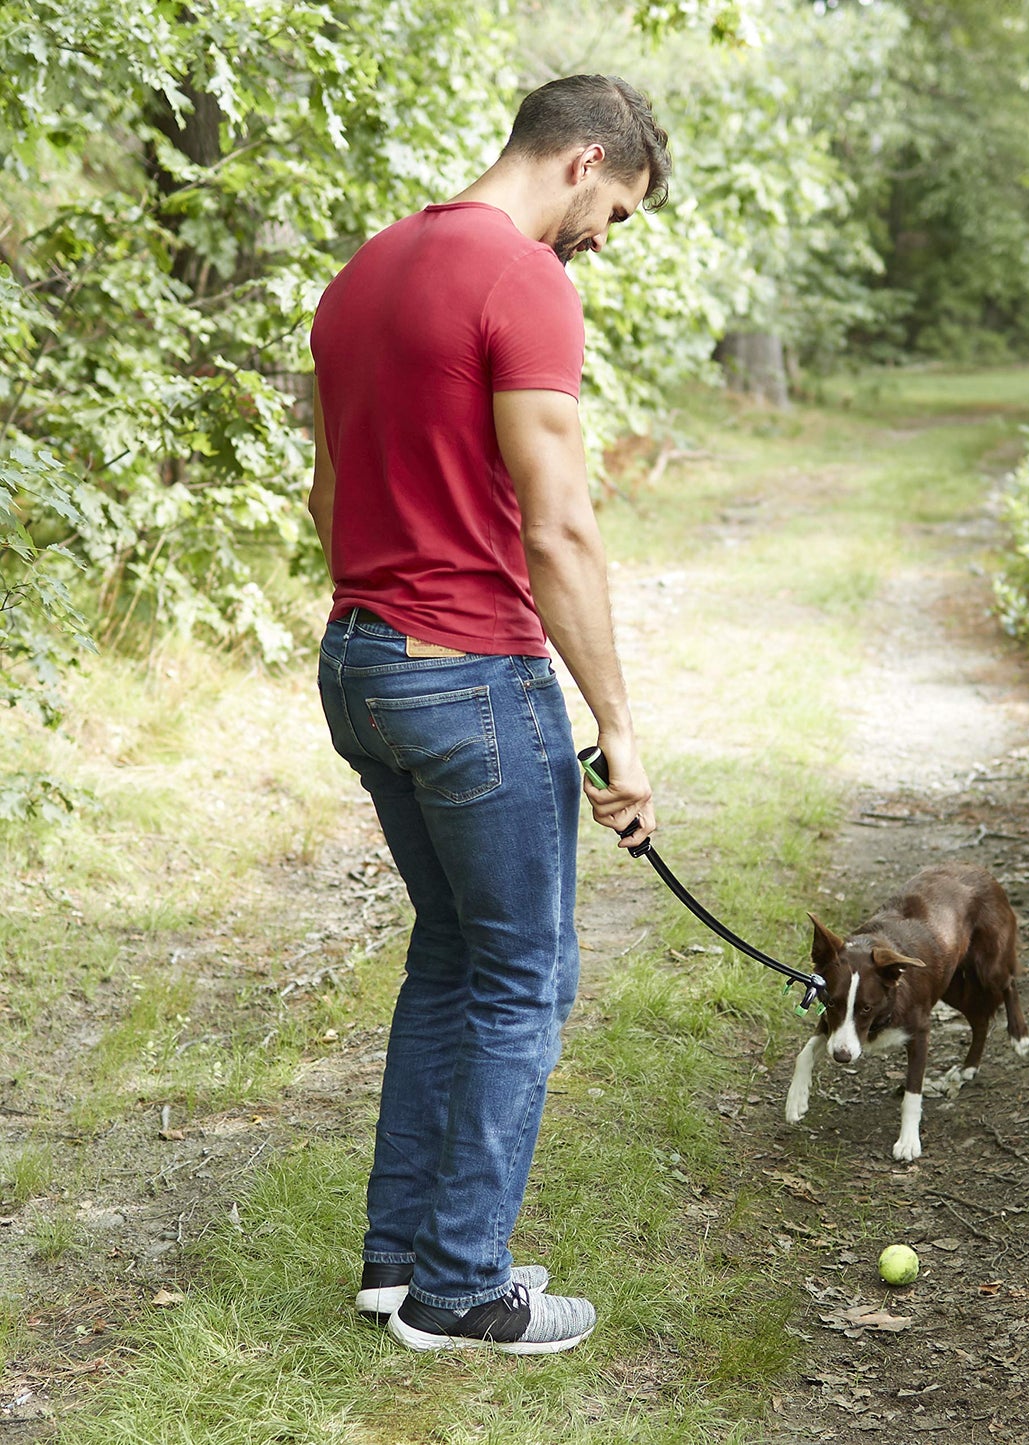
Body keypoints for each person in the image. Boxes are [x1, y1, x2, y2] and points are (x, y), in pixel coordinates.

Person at [306, 74, 668, 1354]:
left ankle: (399, 1257)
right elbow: (558, 518)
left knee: (452, 955)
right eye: (614, 211)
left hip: (359, 661)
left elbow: (324, 496)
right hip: (467, 672)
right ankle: (463, 1288)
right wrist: (615, 723)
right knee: (526, 976)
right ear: (581, 162)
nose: (601, 240)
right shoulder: (522, 281)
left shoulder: (362, 275)